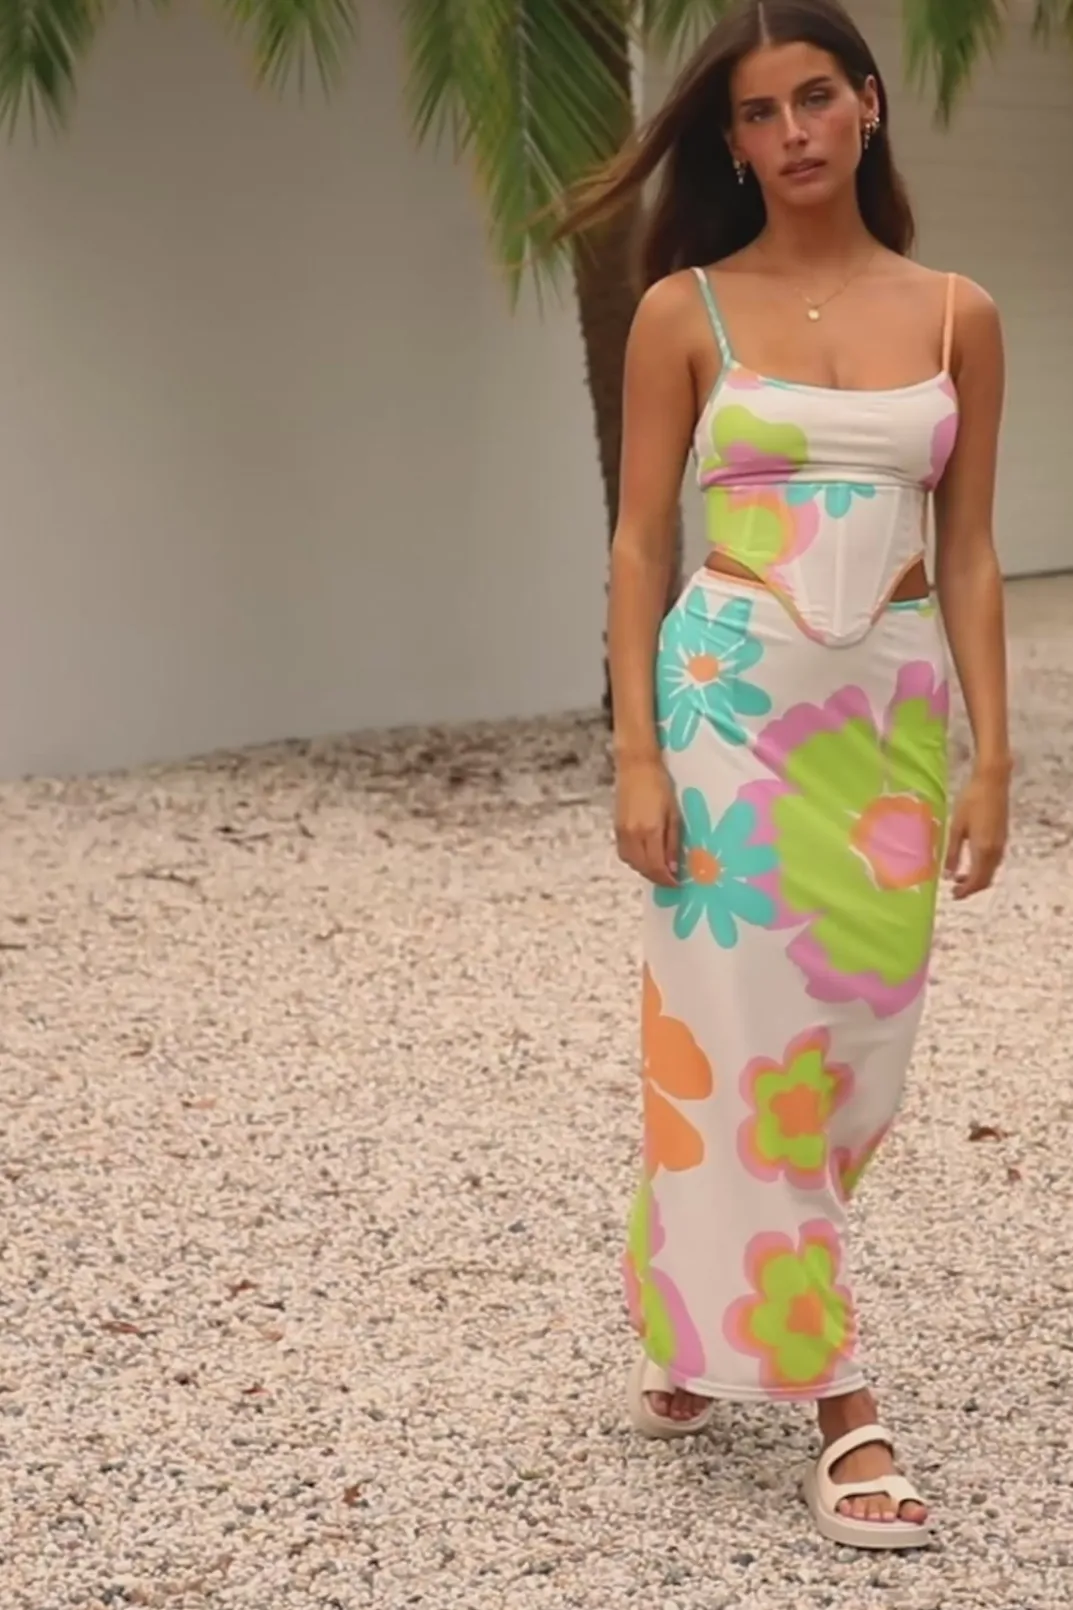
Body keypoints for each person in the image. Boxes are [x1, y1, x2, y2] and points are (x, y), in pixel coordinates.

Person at [554, 0, 1011, 1552]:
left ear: (868, 105)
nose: (792, 131)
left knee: (860, 1061)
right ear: (733, 145)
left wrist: (994, 757)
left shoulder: (957, 316)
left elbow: (969, 548)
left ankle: (693, 1294)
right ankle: (843, 1405)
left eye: (816, 97)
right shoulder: (684, 310)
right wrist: (636, 750)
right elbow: (640, 542)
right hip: (728, 711)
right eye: (758, 113)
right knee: (754, 1048)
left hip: (886, 726)